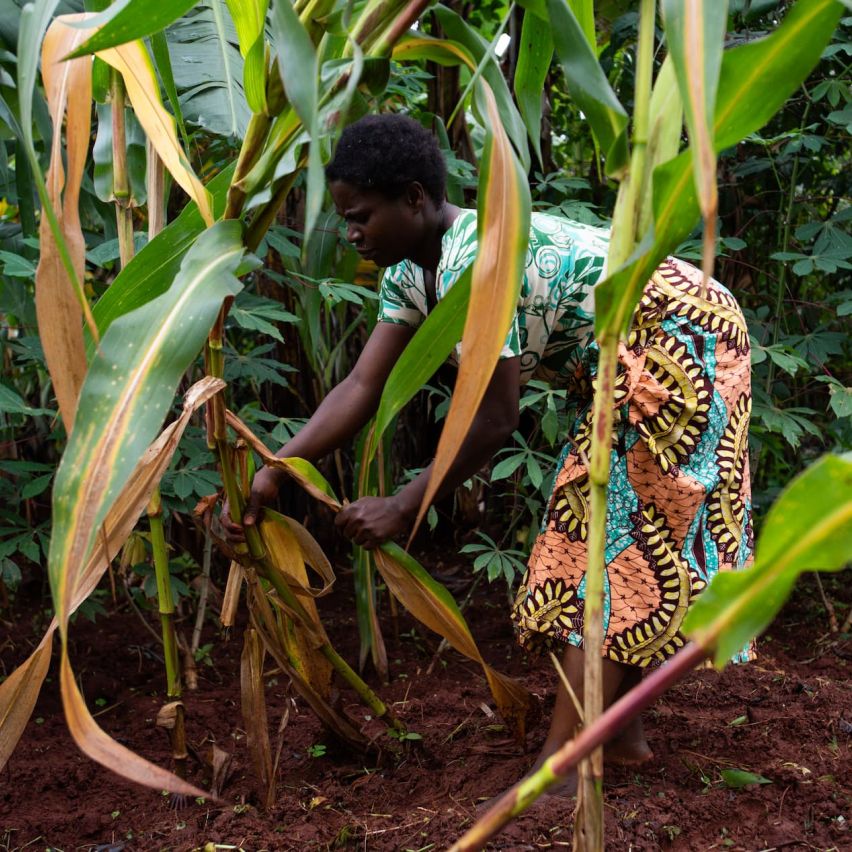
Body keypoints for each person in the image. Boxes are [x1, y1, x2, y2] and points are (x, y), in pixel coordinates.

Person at [222, 113, 754, 785]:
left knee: (600, 545)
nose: (352, 233)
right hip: (631, 353)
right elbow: (360, 385)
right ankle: (618, 739)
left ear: (415, 198)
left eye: (361, 216)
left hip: (679, 336)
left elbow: (495, 416)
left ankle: (564, 775)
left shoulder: (479, 258)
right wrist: (279, 470)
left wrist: (406, 505)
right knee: (611, 545)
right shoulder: (408, 274)